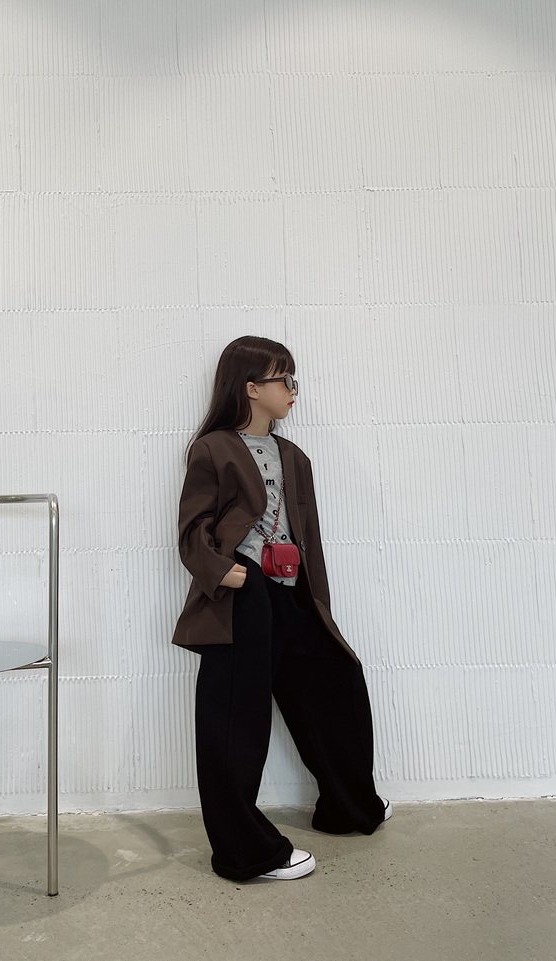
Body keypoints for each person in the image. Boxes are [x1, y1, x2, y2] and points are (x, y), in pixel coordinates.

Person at [171, 335, 391, 883]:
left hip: (293, 592)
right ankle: (244, 852)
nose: (293, 390)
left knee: (335, 683)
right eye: (283, 379)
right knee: (235, 717)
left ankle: (347, 805)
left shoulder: (295, 456)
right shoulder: (213, 449)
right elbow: (192, 530)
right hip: (242, 594)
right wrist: (225, 571)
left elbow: (308, 537)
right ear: (251, 388)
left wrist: (317, 600)